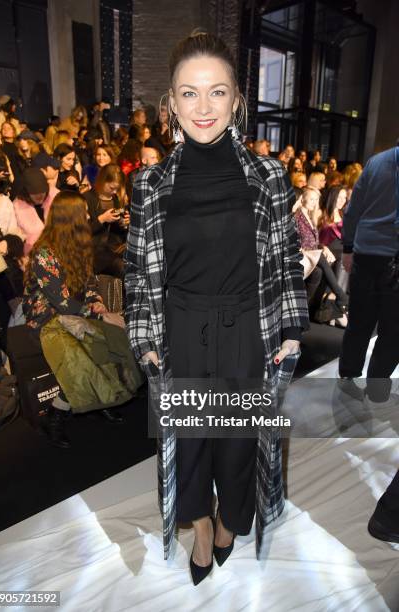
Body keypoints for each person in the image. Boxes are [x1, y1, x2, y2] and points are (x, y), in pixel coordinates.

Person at [124, 31, 309, 586]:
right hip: (179, 328)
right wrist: (144, 335)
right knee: (188, 445)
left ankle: (231, 519)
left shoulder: (269, 177)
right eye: (189, 93)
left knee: (236, 441)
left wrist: (293, 326)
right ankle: (201, 527)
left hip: (247, 328)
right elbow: (137, 268)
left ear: (237, 101)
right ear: (171, 103)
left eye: (217, 92)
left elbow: (285, 257)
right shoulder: (148, 184)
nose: (203, 108)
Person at [22, 191, 142, 448]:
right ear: (71, 219)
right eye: (84, 213)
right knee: (79, 361)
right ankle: (55, 417)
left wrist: (95, 300)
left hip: (77, 313)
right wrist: (98, 313)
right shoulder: (44, 254)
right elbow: (60, 301)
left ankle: (103, 400)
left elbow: (89, 282)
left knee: (114, 343)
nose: (89, 216)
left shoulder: (79, 242)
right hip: (46, 322)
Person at [339, 144, 399, 408]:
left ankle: (348, 377)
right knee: (393, 329)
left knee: (360, 322)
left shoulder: (375, 162)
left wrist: (349, 247)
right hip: (393, 259)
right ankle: (376, 388)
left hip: (365, 255)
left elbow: (353, 208)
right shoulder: (378, 163)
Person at [295, 187, 348, 317]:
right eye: (312, 199)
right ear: (302, 199)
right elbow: (298, 240)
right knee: (325, 258)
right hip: (302, 254)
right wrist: (322, 248)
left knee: (321, 269)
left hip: (315, 255)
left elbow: (315, 241)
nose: (314, 202)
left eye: (316, 199)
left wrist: (322, 248)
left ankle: (308, 309)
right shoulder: (298, 216)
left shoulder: (310, 216)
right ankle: (340, 295)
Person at [84, 163, 129, 277]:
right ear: (102, 181)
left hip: (113, 248)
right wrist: (102, 219)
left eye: (117, 189)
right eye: (112, 188)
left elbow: (117, 230)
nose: (114, 192)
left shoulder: (114, 199)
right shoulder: (87, 198)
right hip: (95, 251)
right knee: (123, 269)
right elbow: (82, 230)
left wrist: (124, 224)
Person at [13, 168, 57, 254]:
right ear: (26, 192)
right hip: (33, 255)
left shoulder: (56, 199)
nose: (39, 195)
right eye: (34, 192)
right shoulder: (17, 208)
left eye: (42, 191)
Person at [0, 128, 14, 194]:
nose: (0, 142)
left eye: (0, 139)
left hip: (4, 191)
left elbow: (11, 178)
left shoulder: (2, 156)